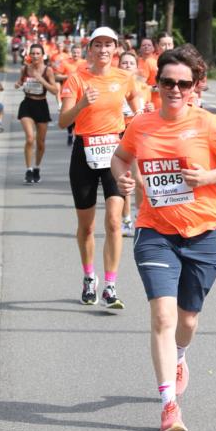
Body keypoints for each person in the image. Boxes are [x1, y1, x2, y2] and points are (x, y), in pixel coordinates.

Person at [111, 46, 216, 431]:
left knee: (187, 320)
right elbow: (121, 158)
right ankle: (168, 406)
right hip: (155, 231)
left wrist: (209, 177)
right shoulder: (141, 124)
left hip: (204, 232)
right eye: (168, 82)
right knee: (163, 317)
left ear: (195, 87)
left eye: (183, 84)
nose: (175, 89)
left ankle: (179, 355)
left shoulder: (208, 123)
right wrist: (123, 179)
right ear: (156, 83)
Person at [59, 27, 143, 310]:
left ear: (115, 49)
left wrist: (140, 114)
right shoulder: (76, 79)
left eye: (109, 45)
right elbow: (63, 121)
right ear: (90, 49)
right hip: (84, 153)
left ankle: (110, 285)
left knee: (114, 221)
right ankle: (88, 278)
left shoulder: (124, 78)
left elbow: (137, 107)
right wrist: (82, 104)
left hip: (114, 154)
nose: (103, 50)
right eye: (98, 45)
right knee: (87, 226)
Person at [118, 50, 152, 237]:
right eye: (124, 63)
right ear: (119, 66)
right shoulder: (113, 85)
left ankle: (140, 217)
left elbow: (149, 112)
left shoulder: (144, 87)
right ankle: (126, 220)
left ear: (136, 67)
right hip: (118, 132)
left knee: (139, 180)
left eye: (131, 63)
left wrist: (150, 109)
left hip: (137, 133)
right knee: (125, 179)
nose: (127, 66)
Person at [14, 42, 57, 184]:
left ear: (43, 55)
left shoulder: (48, 70)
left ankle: (37, 167)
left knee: (40, 143)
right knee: (30, 138)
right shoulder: (25, 69)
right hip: (27, 104)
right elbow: (20, 82)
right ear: (29, 55)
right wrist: (18, 84)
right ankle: (28, 170)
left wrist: (41, 79)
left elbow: (55, 90)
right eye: (32, 53)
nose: (35, 56)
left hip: (41, 105)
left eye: (38, 53)